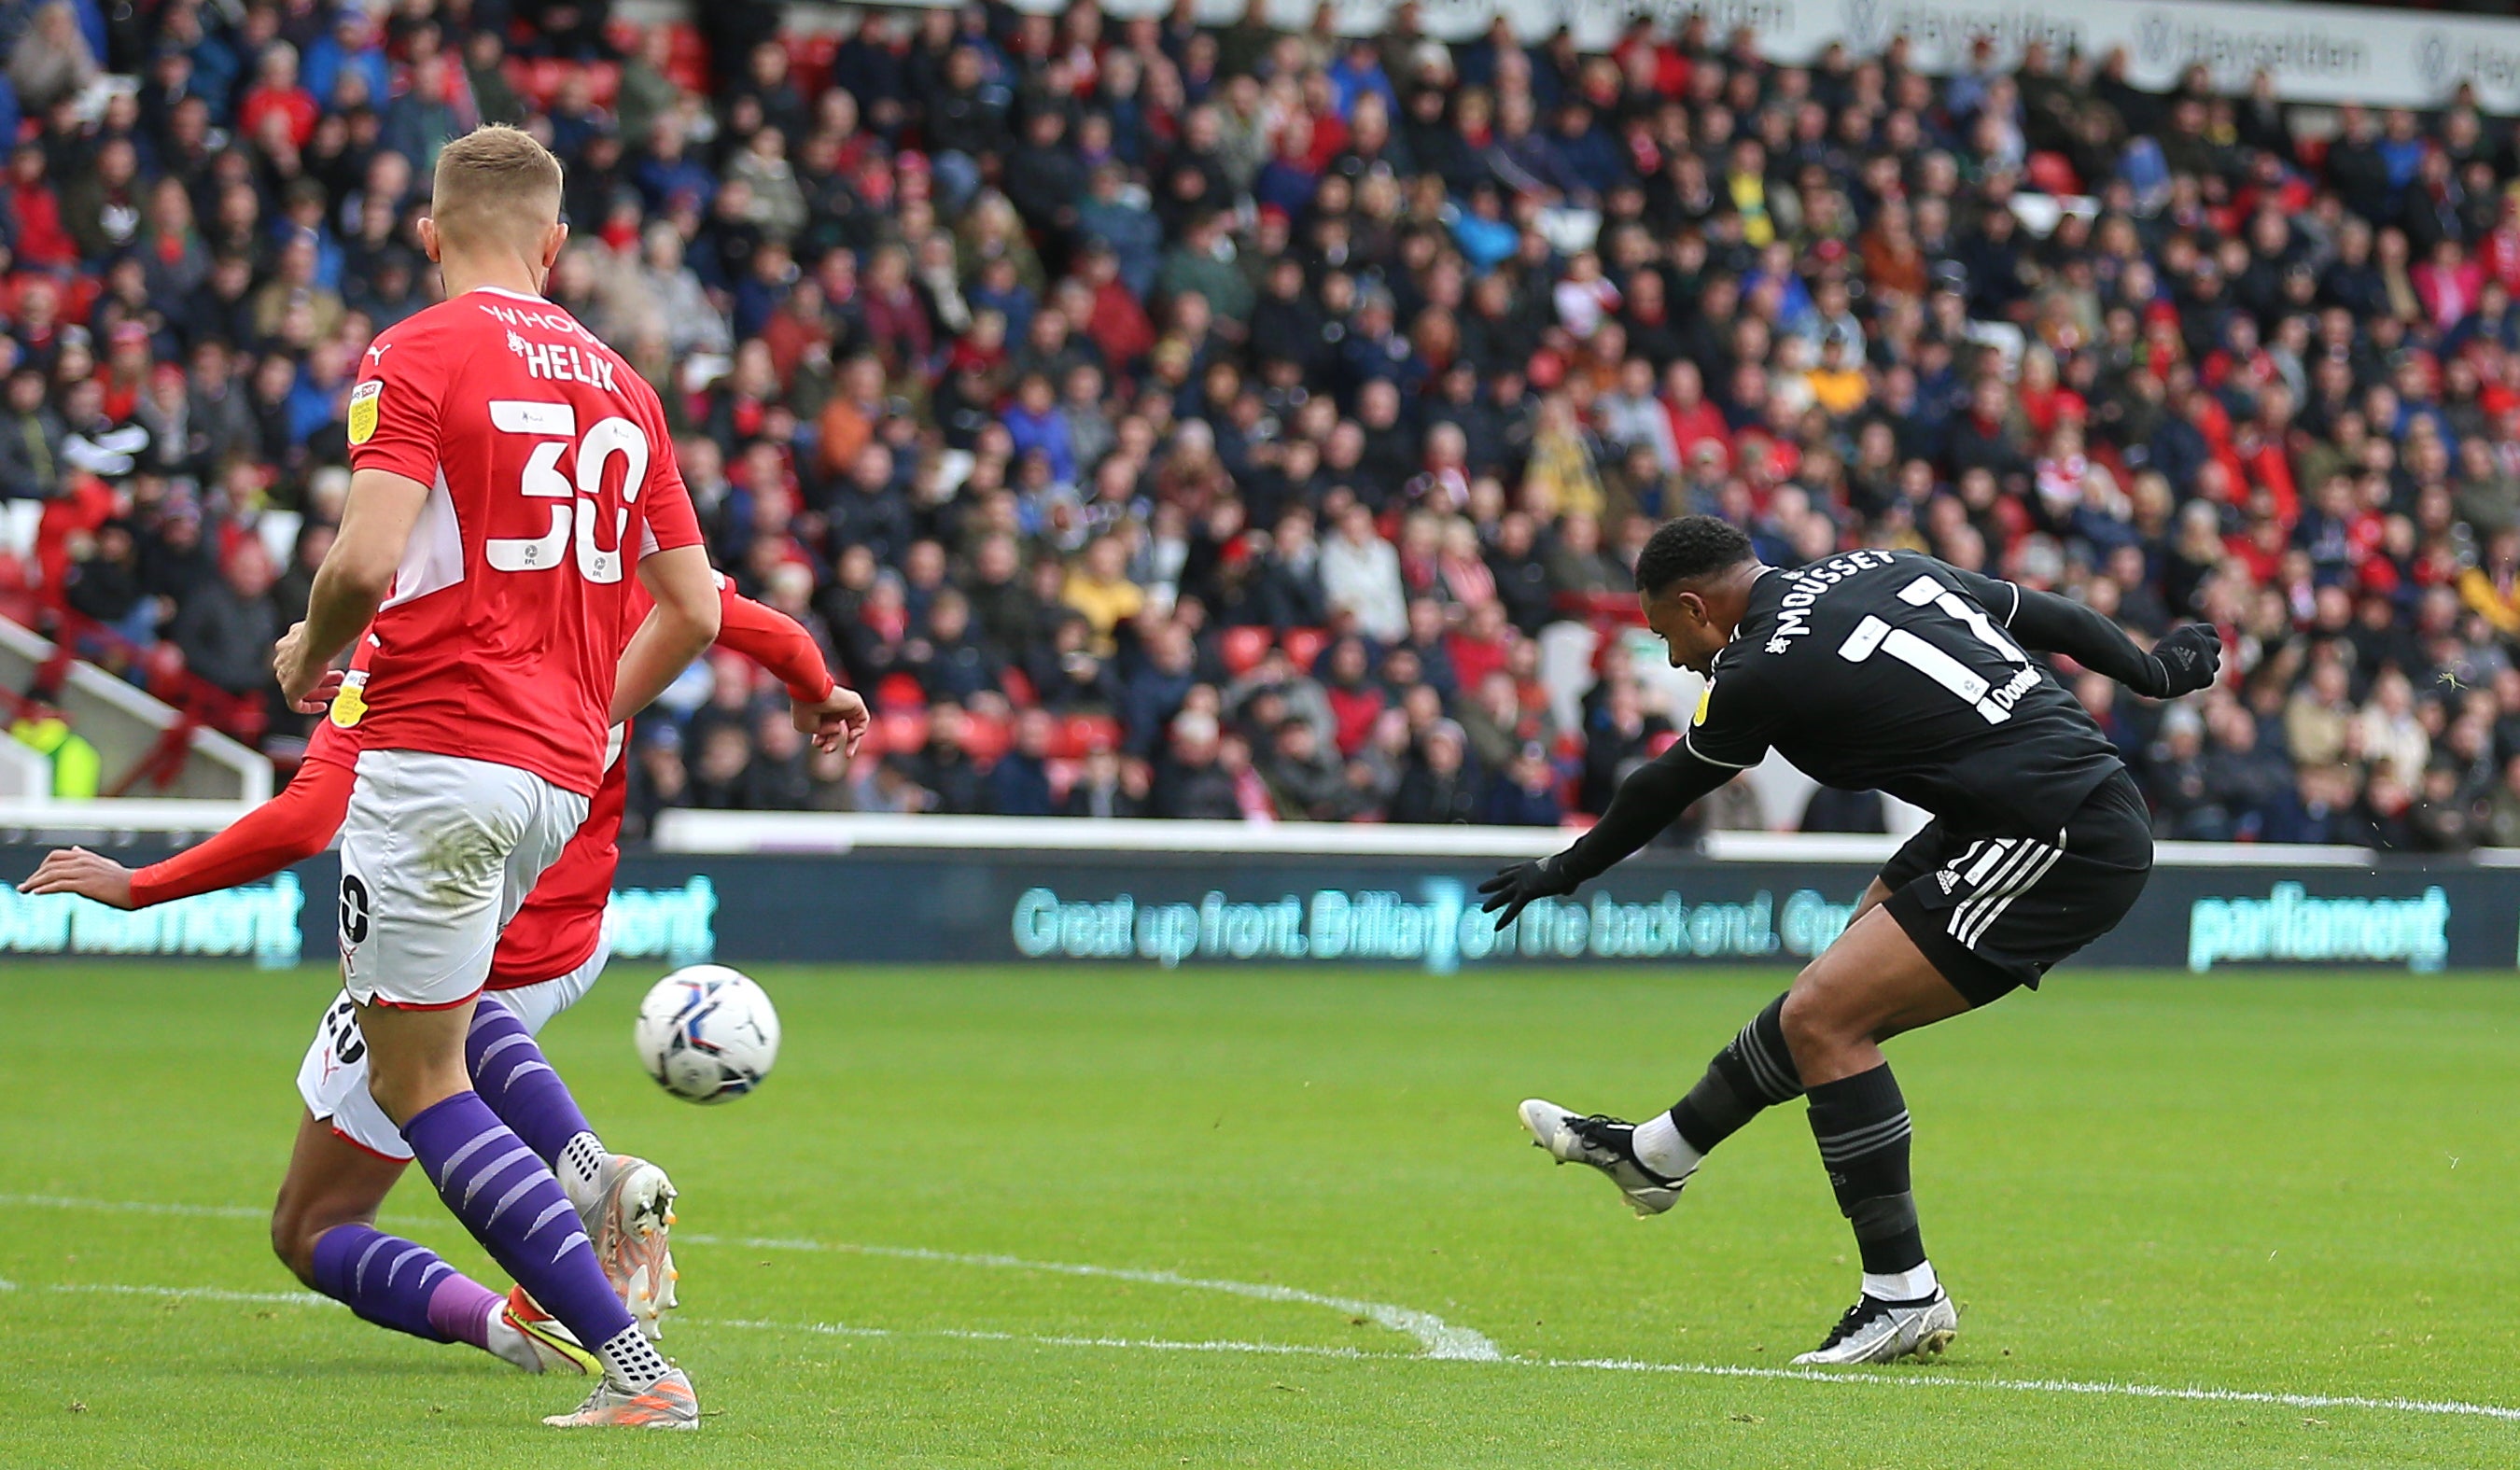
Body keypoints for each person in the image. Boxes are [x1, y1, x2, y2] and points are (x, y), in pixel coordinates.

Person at [19, 573, 861, 1374]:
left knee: (316, 1222)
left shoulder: (413, 645)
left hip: (469, 937)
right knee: (461, 1037)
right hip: (573, 927)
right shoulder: (621, 566)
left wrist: (141, 884)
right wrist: (818, 687)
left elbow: (305, 820)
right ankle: (575, 1193)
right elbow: (745, 622)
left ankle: (561, 1241)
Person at [1483, 516, 2219, 1365]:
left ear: (1694, 605)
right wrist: (2153, 672)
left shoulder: (1756, 667)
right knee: (1827, 991)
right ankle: (1659, 1154)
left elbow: (1665, 783)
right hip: (2006, 809)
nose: (1678, 659)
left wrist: (1566, 866)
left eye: (1667, 636)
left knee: (1828, 1017)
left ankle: (1902, 1292)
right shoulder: (1874, 564)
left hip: (2054, 828)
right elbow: (2042, 611)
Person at [273, 126, 721, 1429]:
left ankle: (639, 1370)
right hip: (550, 779)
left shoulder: (415, 349)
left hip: (433, 751)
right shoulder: (626, 384)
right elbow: (689, 606)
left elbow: (362, 563)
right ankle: (584, 1182)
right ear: (556, 245)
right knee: (452, 1047)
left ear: (429, 233)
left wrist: (313, 645)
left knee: (423, 1084)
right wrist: (589, 715)